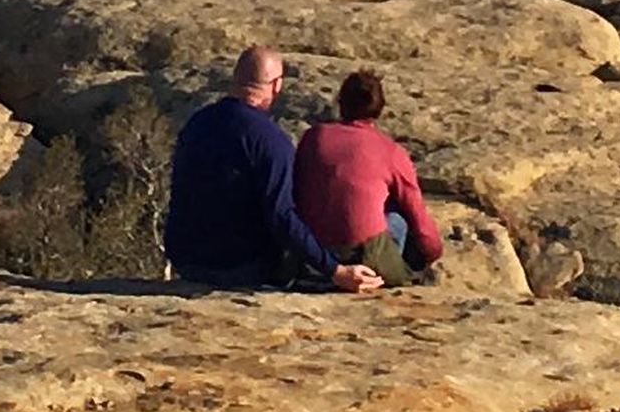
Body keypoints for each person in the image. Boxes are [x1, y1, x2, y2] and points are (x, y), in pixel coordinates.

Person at [165, 46, 383, 292]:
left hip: (186, 259)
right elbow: (282, 216)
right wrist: (336, 270)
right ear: (277, 85)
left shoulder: (197, 123)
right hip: (242, 267)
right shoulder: (270, 141)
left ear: (235, 78)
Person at [294, 69, 443, 287]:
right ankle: (385, 275)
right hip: (364, 252)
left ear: (341, 102)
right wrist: (431, 252)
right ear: (380, 108)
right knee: (398, 217)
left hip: (314, 250)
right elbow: (419, 220)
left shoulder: (314, 137)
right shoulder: (390, 151)